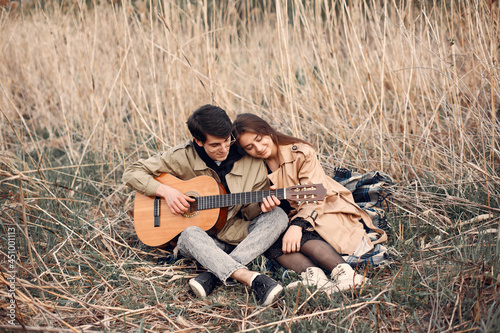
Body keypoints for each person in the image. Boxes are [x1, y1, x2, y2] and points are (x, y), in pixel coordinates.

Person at [123, 105, 289, 306]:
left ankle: (213, 274)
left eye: (227, 140)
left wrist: (262, 206)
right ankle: (251, 278)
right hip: (203, 239)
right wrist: (166, 192)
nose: (224, 149)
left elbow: (248, 211)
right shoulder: (181, 156)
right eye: (215, 145)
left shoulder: (249, 160)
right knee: (189, 234)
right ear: (199, 142)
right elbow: (132, 172)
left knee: (278, 216)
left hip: (237, 234)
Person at [232, 113, 388, 293]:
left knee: (300, 233)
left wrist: (297, 225)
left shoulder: (301, 152)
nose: (258, 148)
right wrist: (261, 206)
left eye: (259, 139)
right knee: (269, 238)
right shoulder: (252, 166)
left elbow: (315, 197)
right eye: (250, 147)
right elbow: (252, 204)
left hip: (324, 210)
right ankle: (315, 278)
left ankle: (347, 275)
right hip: (286, 217)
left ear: (267, 131)